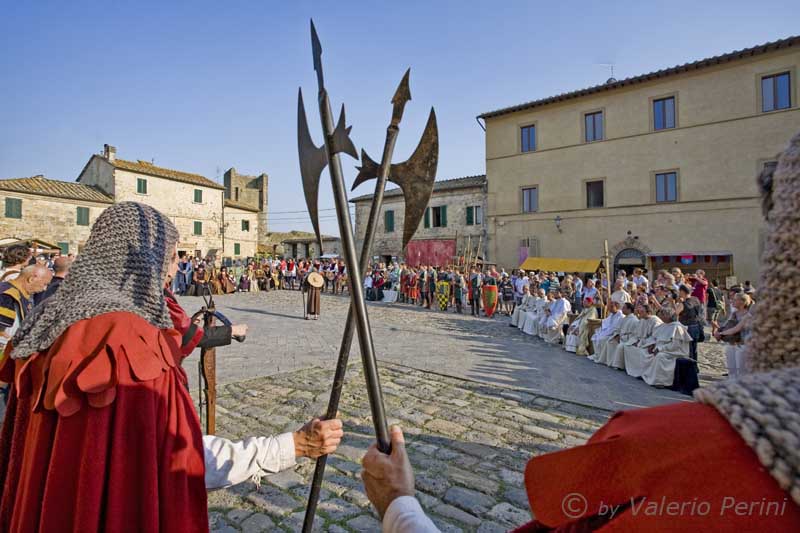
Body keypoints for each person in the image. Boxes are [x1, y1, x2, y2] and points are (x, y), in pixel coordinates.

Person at [0, 203, 344, 532]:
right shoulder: (130, 340)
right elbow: (182, 457)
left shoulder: (42, 322)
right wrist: (293, 446)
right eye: (171, 257)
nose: (176, 268)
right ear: (142, 258)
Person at [640, 306, 692, 387]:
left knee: (660, 357)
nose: (660, 316)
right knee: (644, 352)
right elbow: (655, 337)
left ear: (668, 316)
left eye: (662, 314)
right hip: (660, 348)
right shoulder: (663, 325)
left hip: (674, 352)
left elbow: (675, 345)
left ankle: (660, 382)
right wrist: (652, 345)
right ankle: (646, 375)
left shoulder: (677, 327)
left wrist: (660, 349)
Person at [714, 292, 753, 379]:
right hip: (732, 344)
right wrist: (718, 331)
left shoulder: (748, 316)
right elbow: (726, 326)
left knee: (741, 371)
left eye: (735, 300)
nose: (732, 301)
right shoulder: (734, 313)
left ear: (742, 302)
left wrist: (721, 334)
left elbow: (736, 329)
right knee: (731, 369)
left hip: (743, 345)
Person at [623, 304, 663, 378]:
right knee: (628, 348)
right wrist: (636, 341)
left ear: (648, 312)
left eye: (642, 312)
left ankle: (644, 373)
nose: (639, 314)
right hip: (643, 343)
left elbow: (656, 336)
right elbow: (637, 334)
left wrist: (649, 344)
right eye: (639, 312)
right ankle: (634, 370)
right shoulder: (642, 320)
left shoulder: (655, 321)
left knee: (643, 353)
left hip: (650, 345)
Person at [677, 284, 704, 361]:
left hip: (687, 328)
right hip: (696, 326)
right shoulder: (696, 299)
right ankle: (695, 367)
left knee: (688, 350)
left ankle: (690, 369)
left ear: (682, 292)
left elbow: (675, 313)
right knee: (694, 349)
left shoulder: (683, 304)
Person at [609, 302, 640, 369]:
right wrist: (617, 335)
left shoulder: (634, 320)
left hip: (627, 340)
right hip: (620, 337)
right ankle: (610, 361)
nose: (622, 309)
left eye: (624, 308)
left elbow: (634, 335)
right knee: (610, 342)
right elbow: (617, 329)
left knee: (620, 346)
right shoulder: (623, 318)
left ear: (629, 310)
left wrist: (623, 338)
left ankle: (618, 365)